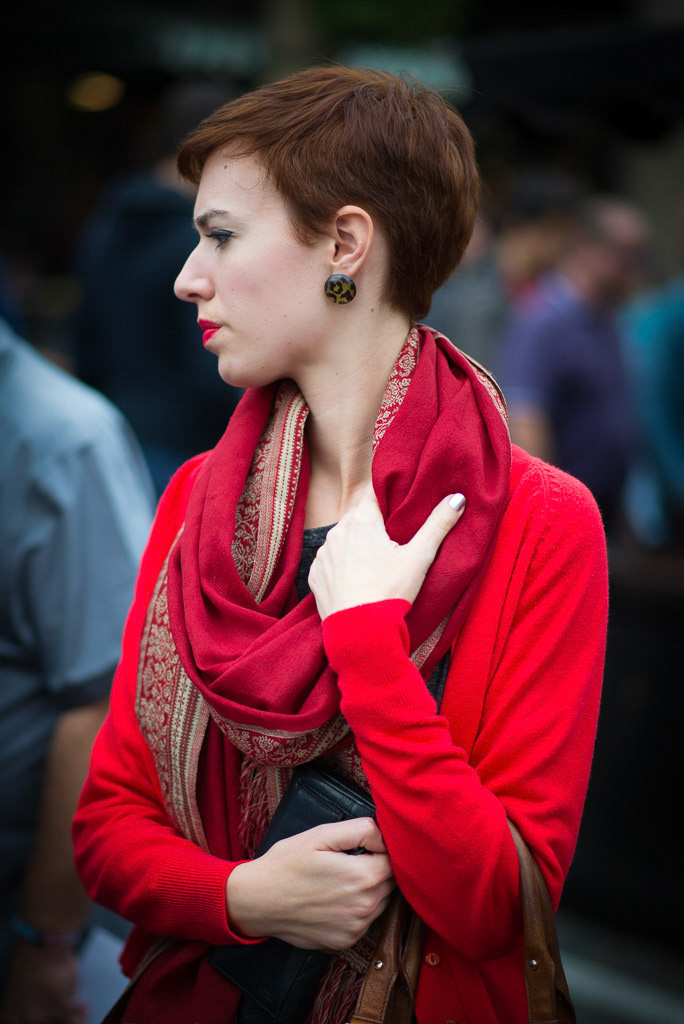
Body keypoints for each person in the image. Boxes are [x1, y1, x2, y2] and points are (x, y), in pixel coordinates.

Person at [72, 67, 607, 1024]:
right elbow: (106, 828)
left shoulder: (541, 522)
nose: (187, 276)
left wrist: (366, 642)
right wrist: (242, 897)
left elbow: (495, 907)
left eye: (221, 235)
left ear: (345, 245)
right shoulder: (198, 500)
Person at [0, 317, 154, 1023]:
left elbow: (104, 707)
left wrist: (47, 938)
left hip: (25, 899)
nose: (192, 279)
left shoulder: (61, 439)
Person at [496, 196, 650, 532]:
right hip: (565, 522)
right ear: (585, 246)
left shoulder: (606, 319)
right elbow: (527, 424)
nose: (634, 268)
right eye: (625, 254)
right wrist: (550, 521)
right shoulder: (542, 323)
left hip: (607, 513)